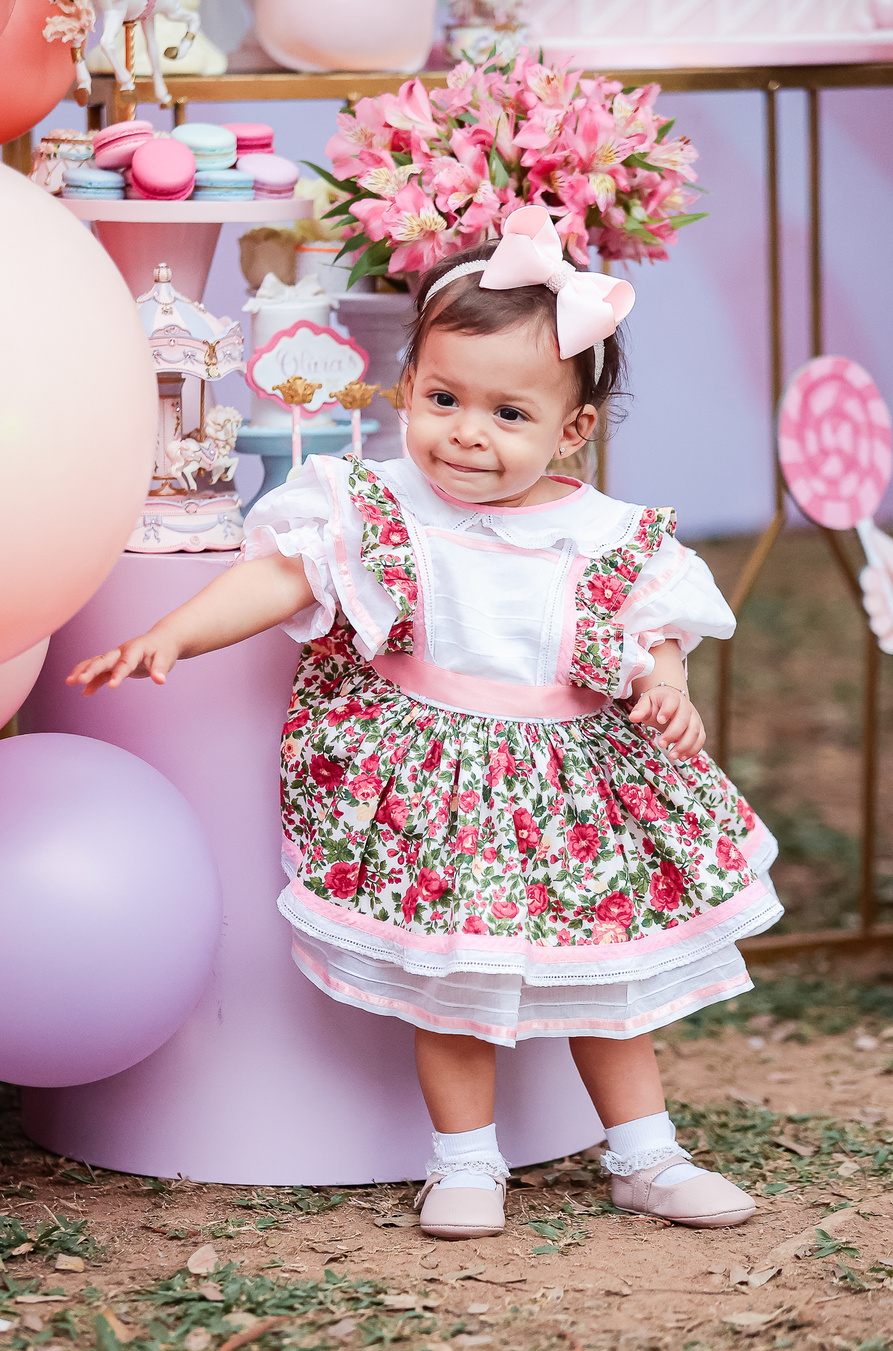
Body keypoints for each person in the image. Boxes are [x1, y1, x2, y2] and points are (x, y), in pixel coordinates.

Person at [69, 208, 783, 1241]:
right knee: (451, 989)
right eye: (444, 398)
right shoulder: (377, 505)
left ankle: (646, 1153)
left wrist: (665, 681)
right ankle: (466, 1161)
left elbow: (652, 625)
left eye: (507, 413)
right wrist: (174, 632)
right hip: (438, 790)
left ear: (571, 431)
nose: (467, 432)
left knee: (607, 983)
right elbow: (282, 579)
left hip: (569, 797)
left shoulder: (606, 534)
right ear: (406, 386)